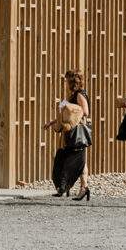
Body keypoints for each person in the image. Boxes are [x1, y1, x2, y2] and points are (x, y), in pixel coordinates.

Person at [43, 69, 92, 200]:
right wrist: (52, 122)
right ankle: (82, 188)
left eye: (66, 80)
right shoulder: (73, 94)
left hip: (77, 131)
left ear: (72, 81)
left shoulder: (79, 94)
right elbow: (67, 115)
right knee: (81, 162)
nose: (64, 82)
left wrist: (69, 106)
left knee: (69, 159)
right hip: (71, 131)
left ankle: (67, 187)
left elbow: (85, 111)